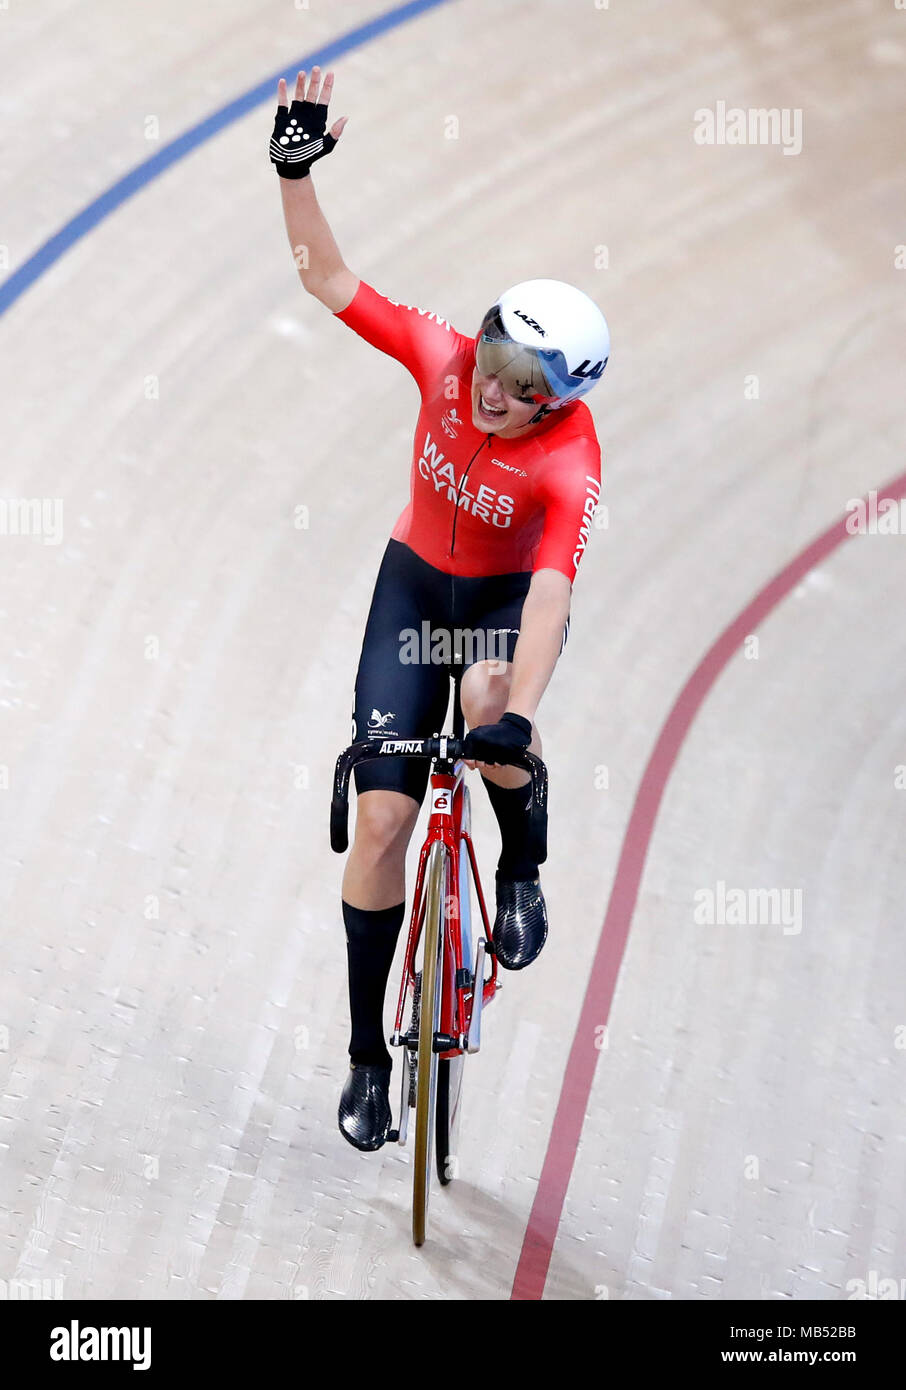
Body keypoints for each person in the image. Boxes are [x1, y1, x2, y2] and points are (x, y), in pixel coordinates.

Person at [270, 69, 609, 1152]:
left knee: (491, 691)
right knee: (379, 820)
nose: (491, 388)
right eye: (493, 356)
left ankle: (519, 868)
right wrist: (293, 173)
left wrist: (516, 712)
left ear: (558, 402)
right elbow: (327, 278)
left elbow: (551, 588)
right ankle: (371, 1054)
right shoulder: (439, 355)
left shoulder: (569, 460)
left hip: (501, 608)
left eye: (521, 384)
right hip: (415, 584)